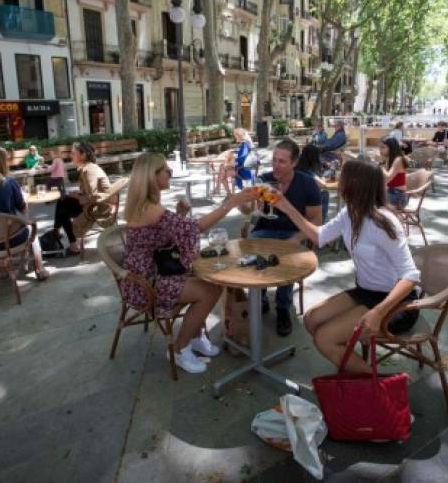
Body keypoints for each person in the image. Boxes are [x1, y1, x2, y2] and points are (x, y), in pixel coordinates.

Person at [269, 158, 421, 372]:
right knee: (311, 319)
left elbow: (411, 275)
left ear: (356, 185)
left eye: (343, 176)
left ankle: (378, 388)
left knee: (325, 339)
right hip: (367, 292)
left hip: (397, 303)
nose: (339, 180)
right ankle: (353, 367)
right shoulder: (350, 212)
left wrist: (378, 312)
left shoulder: (384, 222)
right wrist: (285, 206)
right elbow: (319, 236)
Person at [122, 153, 257, 374]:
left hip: (155, 271)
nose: (170, 172)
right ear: (151, 177)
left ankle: (195, 337)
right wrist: (231, 203)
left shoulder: (148, 205)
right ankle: (179, 348)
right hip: (145, 282)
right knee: (208, 290)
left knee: (211, 282)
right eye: (165, 169)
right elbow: (194, 230)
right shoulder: (149, 208)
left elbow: (168, 234)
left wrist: (179, 215)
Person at [240, 139, 323, 336]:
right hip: (264, 231)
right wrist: (244, 203)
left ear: (294, 163)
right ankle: (259, 298)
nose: (275, 165)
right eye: (274, 160)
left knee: (287, 259)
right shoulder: (264, 180)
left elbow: (317, 220)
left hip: (292, 233)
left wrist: (297, 238)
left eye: (282, 161)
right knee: (250, 252)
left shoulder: (307, 183)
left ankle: (283, 307)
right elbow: (249, 211)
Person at [0, 147, 50, 281]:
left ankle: (2, 265)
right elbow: (23, 209)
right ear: (3, 162)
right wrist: (24, 199)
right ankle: (40, 269)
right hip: (9, 239)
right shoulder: (9, 182)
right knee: (32, 231)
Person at [51, 142, 111, 255]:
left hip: (99, 207)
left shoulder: (89, 170)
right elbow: (89, 192)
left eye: (73, 153)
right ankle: (57, 232)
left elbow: (92, 196)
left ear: (83, 155)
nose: (70, 156)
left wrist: (76, 196)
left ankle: (62, 236)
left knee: (63, 206)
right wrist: (77, 194)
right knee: (63, 201)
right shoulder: (88, 168)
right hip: (97, 203)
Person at [296, 144, 331, 221]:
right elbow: (322, 184)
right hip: (303, 205)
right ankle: (322, 221)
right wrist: (323, 179)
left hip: (295, 202)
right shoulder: (306, 172)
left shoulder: (298, 165)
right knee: (325, 193)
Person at [215, 128, 254, 195]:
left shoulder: (245, 144)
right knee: (222, 173)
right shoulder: (248, 143)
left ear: (239, 135)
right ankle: (224, 192)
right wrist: (236, 153)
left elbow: (242, 158)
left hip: (243, 170)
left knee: (222, 171)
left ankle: (220, 190)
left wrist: (234, 160)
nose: (235, 137)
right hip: (247, 169)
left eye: (235, 135)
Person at [380, 137, 408, 209]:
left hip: (397, 195)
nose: (380, 150)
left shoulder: (398, 160)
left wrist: (381, 167)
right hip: (391, 192)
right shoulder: (389, 159)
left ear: (391, 148)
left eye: (383, 147)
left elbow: (387, 178)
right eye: (380, 147)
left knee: (370, 203)